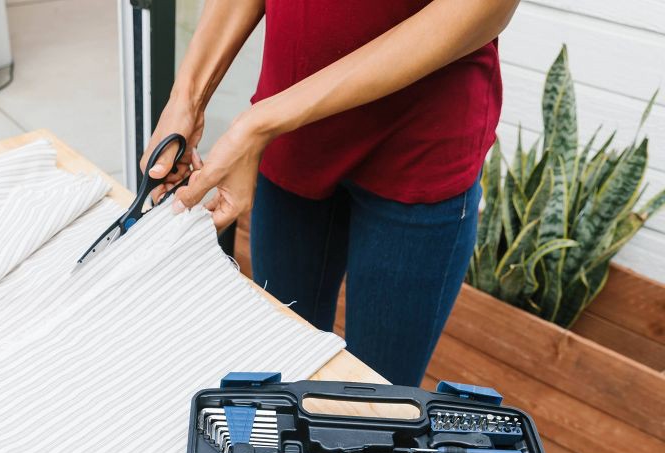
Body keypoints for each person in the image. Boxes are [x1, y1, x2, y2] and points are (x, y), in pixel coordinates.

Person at [141, 0, 519, 385]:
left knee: (378, 405)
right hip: (290, 137)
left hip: (418, 146)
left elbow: (483, 7)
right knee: (280, 374)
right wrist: (187, 97)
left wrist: (258, 126)